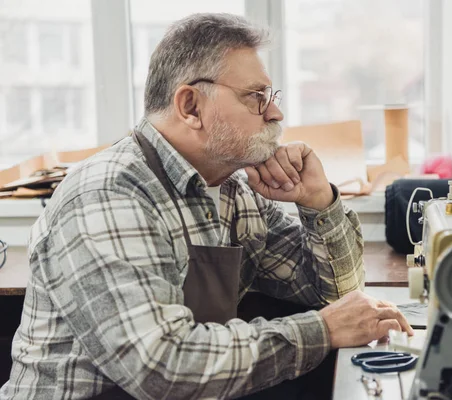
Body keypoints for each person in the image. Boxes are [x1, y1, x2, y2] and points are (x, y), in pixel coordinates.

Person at [0, 13, 412, 400]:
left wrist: (318, 201)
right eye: (256, 97)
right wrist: (322, 331)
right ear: (191, 106)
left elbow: (335, 293)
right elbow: (161, 367)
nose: (276, 113)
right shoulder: (108, 195)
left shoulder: (233, 190)